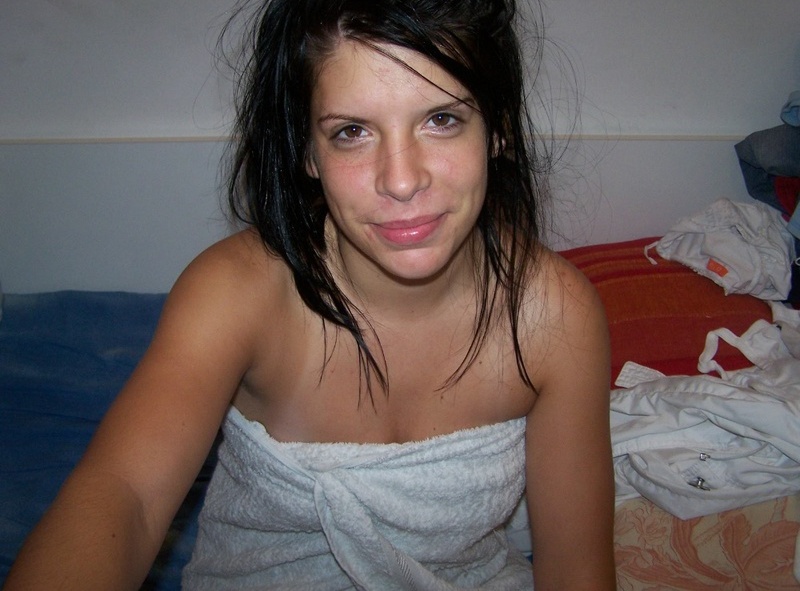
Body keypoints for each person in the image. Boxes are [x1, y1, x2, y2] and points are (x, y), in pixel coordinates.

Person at [3, 0, 615, 588]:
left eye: (442, 120)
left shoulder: (554, 316)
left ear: (498, 128)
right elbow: (126, 497)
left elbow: (574, 569)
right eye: (352, 131)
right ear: (308, 152)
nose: (402, 180)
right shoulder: (236, 293)